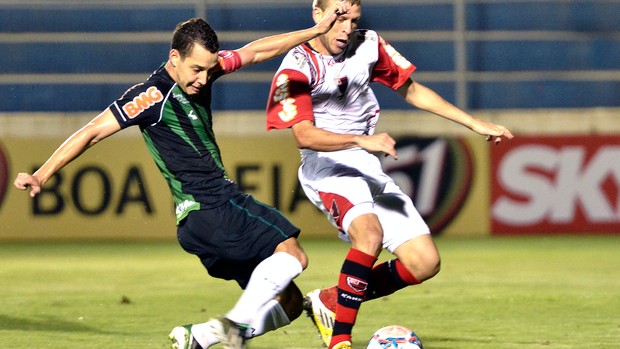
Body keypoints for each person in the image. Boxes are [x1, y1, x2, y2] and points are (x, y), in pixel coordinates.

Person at [13, 6, 349, 349]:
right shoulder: (151, 95)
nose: (203, 79)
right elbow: (92, 132)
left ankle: (200, 337)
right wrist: (42, 174)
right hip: (214, 204)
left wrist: (316, 31)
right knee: (294, 255)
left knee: (289, 303)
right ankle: (234, 323)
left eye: (208, 69)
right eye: (196, 69)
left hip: (196, 225)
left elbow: (256, 50)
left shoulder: (204, 70)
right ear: (174, 57)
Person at [265, 1, 514, 348]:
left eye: (353, 19)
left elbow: (412, 90)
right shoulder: (296, 65)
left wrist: (474, 123)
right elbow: (304, 134)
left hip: (365, 164)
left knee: (424, 262)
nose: (346, 28)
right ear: (317, 14)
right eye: (338, 18)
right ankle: (340, 340)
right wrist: (360, 139)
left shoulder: (369, 43)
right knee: (368, 234)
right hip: (326, 165)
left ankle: (331, 300)